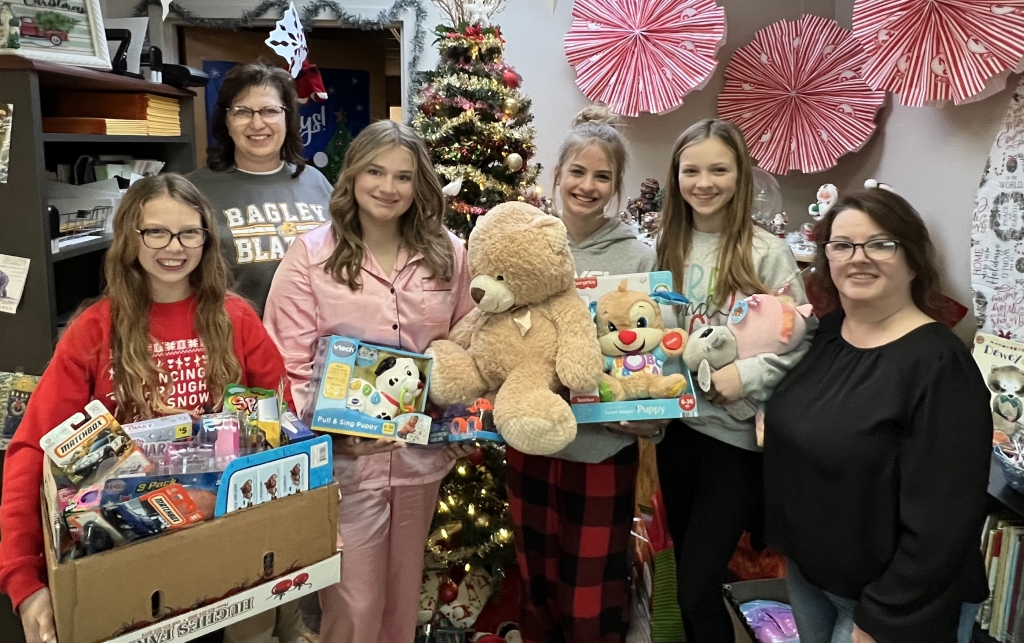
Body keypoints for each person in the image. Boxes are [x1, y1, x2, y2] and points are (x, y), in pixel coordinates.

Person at [0, 174, 289, 643]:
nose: (173, 246)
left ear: (206, 238)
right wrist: (22, 576)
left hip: (230, 552)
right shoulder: (92, 332)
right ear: (129, 236)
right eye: (155, 231)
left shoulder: (237, 319)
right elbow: (34, 450)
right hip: (123, 559)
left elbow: (283, 431)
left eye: (189, 232)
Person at [262, 119, 476, 643]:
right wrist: (335, 427)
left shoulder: (449, 252)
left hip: (420, 458)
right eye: (375, 171)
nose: (388, 187)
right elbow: (287, 362)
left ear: (419, 184)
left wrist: (461, 414)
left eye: (404, 177)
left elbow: (467, 342)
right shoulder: (311, 254)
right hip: (344, 464)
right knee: (354, 606)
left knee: (403, 599)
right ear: (353, 175)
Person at [762, 188, 991, 643]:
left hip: (890, 604)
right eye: (842, 245)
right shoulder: (827, 335)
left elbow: (945, 520)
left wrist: (883, 617)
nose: (858, 258)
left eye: (880, 244)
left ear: (912, 258)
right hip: (811, 578)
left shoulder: (938, 366)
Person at [653, 119, 813, 643]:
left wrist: (743, 375)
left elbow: (802, 344)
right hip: (676, 434)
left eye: (719, 169)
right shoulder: (665, 246)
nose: (704, 182)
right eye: (691, 170)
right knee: (695, 581)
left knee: (696, 587)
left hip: (737, 443)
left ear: (740, 175)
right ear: (676, 176)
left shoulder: (767, 252)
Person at [505, 105, 659, 643]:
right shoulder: (524, 244)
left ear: (616, 186)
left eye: (602, 177)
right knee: (536, 583)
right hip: (531, 443)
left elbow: (653, 353)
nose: (587, 186)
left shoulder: (638, 258)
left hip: (600, 449)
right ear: (557, 174)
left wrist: (647, 416)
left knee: (590, 597)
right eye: (577, 171)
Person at [188, 61, 334, 316]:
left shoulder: (316, 182)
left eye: (269, 110)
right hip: (231, 344)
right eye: (243, 111)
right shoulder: (192, 191)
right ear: (226, 120)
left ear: (287, 117)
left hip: (315, 344)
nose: (257, 124)